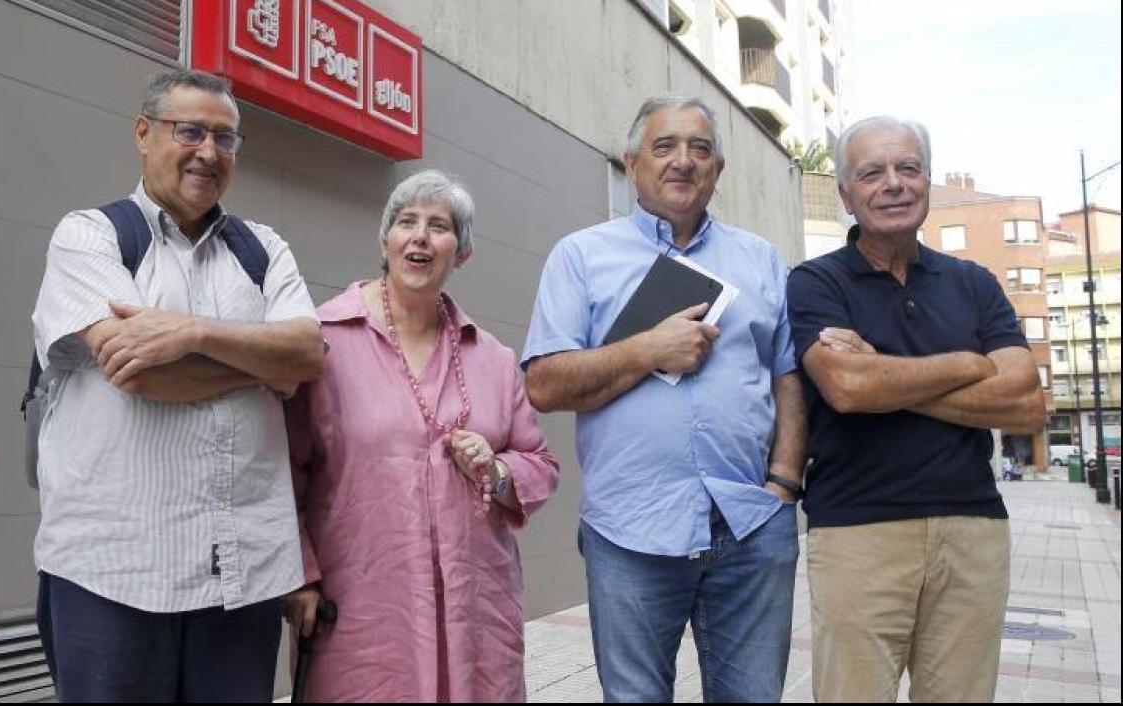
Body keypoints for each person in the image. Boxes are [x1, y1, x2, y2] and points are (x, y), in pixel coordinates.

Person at [30, 69, 325, 702]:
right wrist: (259, 366)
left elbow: (307, 352)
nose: (208, 152)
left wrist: (190, 332)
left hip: (240, 574)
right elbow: (147, 374)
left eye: (225, 137)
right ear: (144, 133)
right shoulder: (90, 237)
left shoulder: (264, 250)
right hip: (115, 571)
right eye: (189, 131)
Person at [522, 95, 806, 702]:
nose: (683, 161)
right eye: (665, 146)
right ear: (631, 163)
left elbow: (789, 377)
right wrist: (646, 348)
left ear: (718, 170)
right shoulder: (581, 256)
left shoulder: (760, 260)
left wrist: (783, 485)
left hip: (750, 527)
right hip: (628, 531)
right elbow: (543, 385)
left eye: (700, 149)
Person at [786, 116, 1046, 702]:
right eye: (872, 173)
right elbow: (848, 389)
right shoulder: (814, 283)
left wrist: (885, 370)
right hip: (859, 530)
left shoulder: (974, 282)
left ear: (927, 179)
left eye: (908, 168)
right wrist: (968, 363)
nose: (894, 184)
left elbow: (1026, 403)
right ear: (847, 195)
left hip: (972, 528)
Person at [283, 170, 561, 702]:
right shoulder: (321, 342)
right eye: (406, 222)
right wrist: (300, 576)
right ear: (385, 240)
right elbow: (282, 470)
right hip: (362, 603)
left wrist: (497, 470)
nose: (420, 237)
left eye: (439, 226)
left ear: (462, 253)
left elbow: (540, 464)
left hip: (474, 608)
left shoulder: (494, 359)